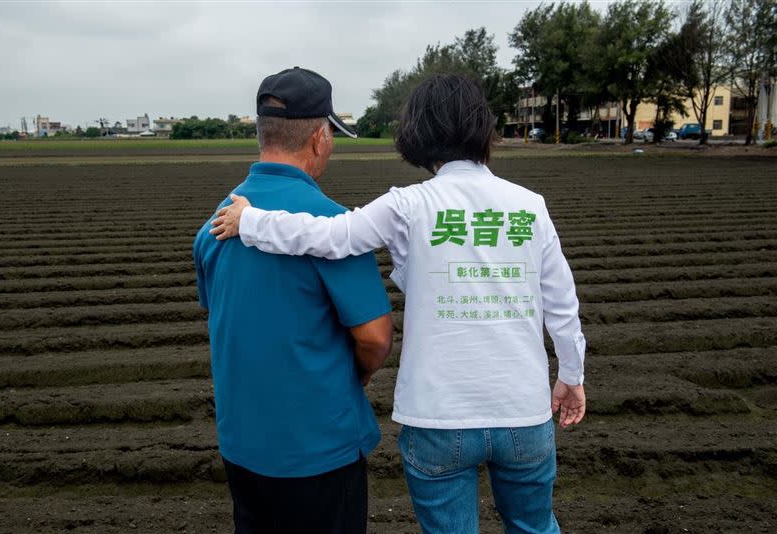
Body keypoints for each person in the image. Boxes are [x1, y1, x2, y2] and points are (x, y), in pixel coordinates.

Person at [211, 74, 586, 534]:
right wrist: (571, 375)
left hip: (437, 417)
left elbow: (333, 236)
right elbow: (563, 304)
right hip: (523, 414)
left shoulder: (408, 205)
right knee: (534, 527)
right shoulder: (530, 206)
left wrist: (252, 221)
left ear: (418, 134)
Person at [193, 66, 394, 534]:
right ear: (320, 139)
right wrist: (357, 376)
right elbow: (375, 337)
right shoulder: (333, 226)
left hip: (241, 445)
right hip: (318, 451)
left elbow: (229, 314)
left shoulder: (216, 224)